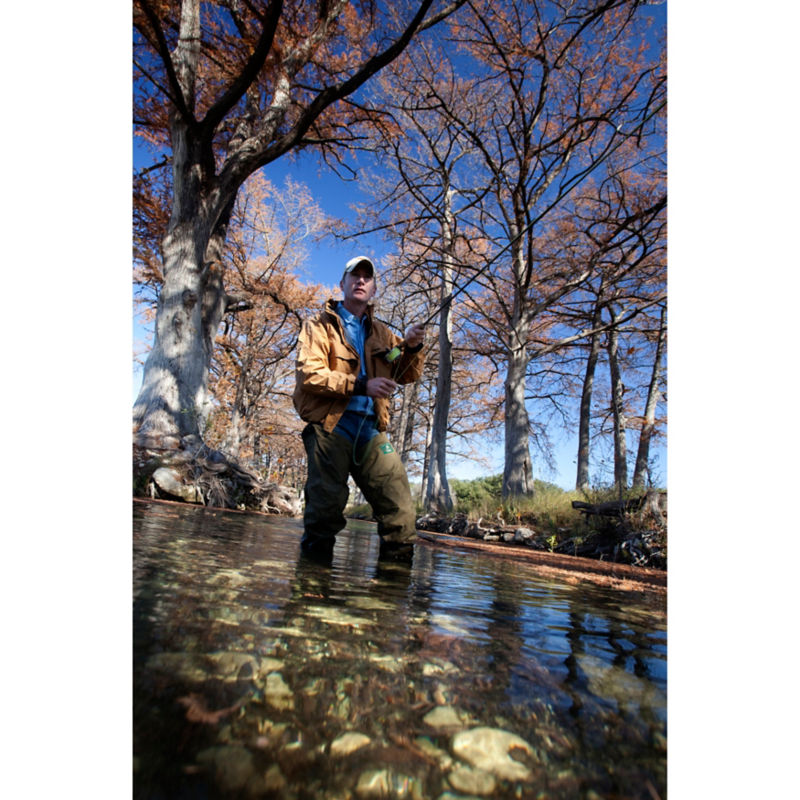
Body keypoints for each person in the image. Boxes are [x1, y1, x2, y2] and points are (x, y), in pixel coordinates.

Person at [293, 255, 426, 562]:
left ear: (374, 289)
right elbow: (309, 374)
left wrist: (413, 346)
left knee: (401, 513)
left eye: (368, 276)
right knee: (324, 515)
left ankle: (391, 595)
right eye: (355, 275)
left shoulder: (383, 334)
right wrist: (361, 385)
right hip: (330, 428)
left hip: (371, 430)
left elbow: (406, 372)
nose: (361, 280)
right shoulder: (318, 326)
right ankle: (312, 592)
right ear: (343, 284)